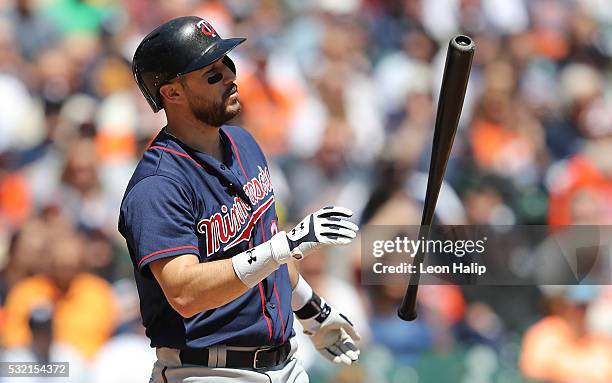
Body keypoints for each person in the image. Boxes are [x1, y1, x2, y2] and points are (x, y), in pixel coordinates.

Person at [119, 16, 360, 382]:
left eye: (227, 64)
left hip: (286, 361)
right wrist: (285, 245)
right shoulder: (158, 184)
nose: (230, 77)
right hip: (206, 369)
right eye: (211, 74)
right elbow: (184, 293)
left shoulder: (243, 144)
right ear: (172, 93)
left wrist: (313, 310)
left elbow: (266, 251)